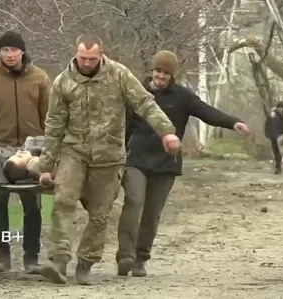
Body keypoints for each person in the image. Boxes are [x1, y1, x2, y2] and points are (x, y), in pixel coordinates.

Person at [35, 35, 180, 285]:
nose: (88, 63)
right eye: (83, 58)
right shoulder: (63, 82)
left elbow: (144, 103)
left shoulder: (119, 75)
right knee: (63, 201)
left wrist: (166, 132)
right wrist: (47, 166)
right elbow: (55, 125)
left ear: (102, 54)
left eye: (93, 58)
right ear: (75, 53)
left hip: (109, 157)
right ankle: (58, 260)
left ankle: (85, 263)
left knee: (100, 214)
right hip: (74, 152)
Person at [116, 50, 251, 277]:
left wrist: (233, 122)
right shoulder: (137, 92)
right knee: (133, 202)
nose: (160, 76)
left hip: (166, 163)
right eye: (158, 71)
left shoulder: (182, 97)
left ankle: (141, 258)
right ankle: (125, 256)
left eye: (166, 73)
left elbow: (207, 112)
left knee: (152, 213)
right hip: (136, 159)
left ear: (172, 75)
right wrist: (120, 153)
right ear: (152, 70)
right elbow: (124, 126)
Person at [0, 30, 50, 274]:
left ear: (22, 51)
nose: (10, 55)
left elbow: (50, 119)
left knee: (32, 204)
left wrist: (53, 151)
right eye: (5, 50)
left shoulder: (39, 78)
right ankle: (2, 254)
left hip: (32, 150)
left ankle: (32, 256)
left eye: (14, 50)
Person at [265, 101, 283, 174]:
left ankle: (278, 167)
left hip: (280, 136)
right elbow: (268, 125)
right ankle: (278, 167)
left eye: (282, 108)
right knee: (277, 152)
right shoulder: (275, 115)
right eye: (280, 108)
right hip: (275, 136)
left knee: (278, 152)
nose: (281, 109)